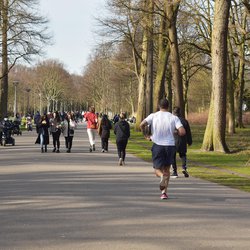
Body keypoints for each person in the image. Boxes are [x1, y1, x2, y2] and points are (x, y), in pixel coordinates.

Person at [140, 99, 185, 200]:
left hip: (158, 145)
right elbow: (182, 132)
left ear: (159, 106)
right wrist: (175, 133)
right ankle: (164, 193)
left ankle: (161, 177)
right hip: (170, 146)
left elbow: (141, 125)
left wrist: (146, 135)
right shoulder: (174, 118)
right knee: (167, 170)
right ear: (168, 106)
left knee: (157, 169)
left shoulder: (153, 116)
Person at [171, 106, 192, 178]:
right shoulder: (184, 121)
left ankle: (174, 172)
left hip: (173, 141)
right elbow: (188, 132)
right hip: (182, 140)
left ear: (173, 112)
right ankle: (184, 168)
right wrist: (189, 141)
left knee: (172, 156)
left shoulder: (171, 120)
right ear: (180, 112)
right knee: (183, 155)